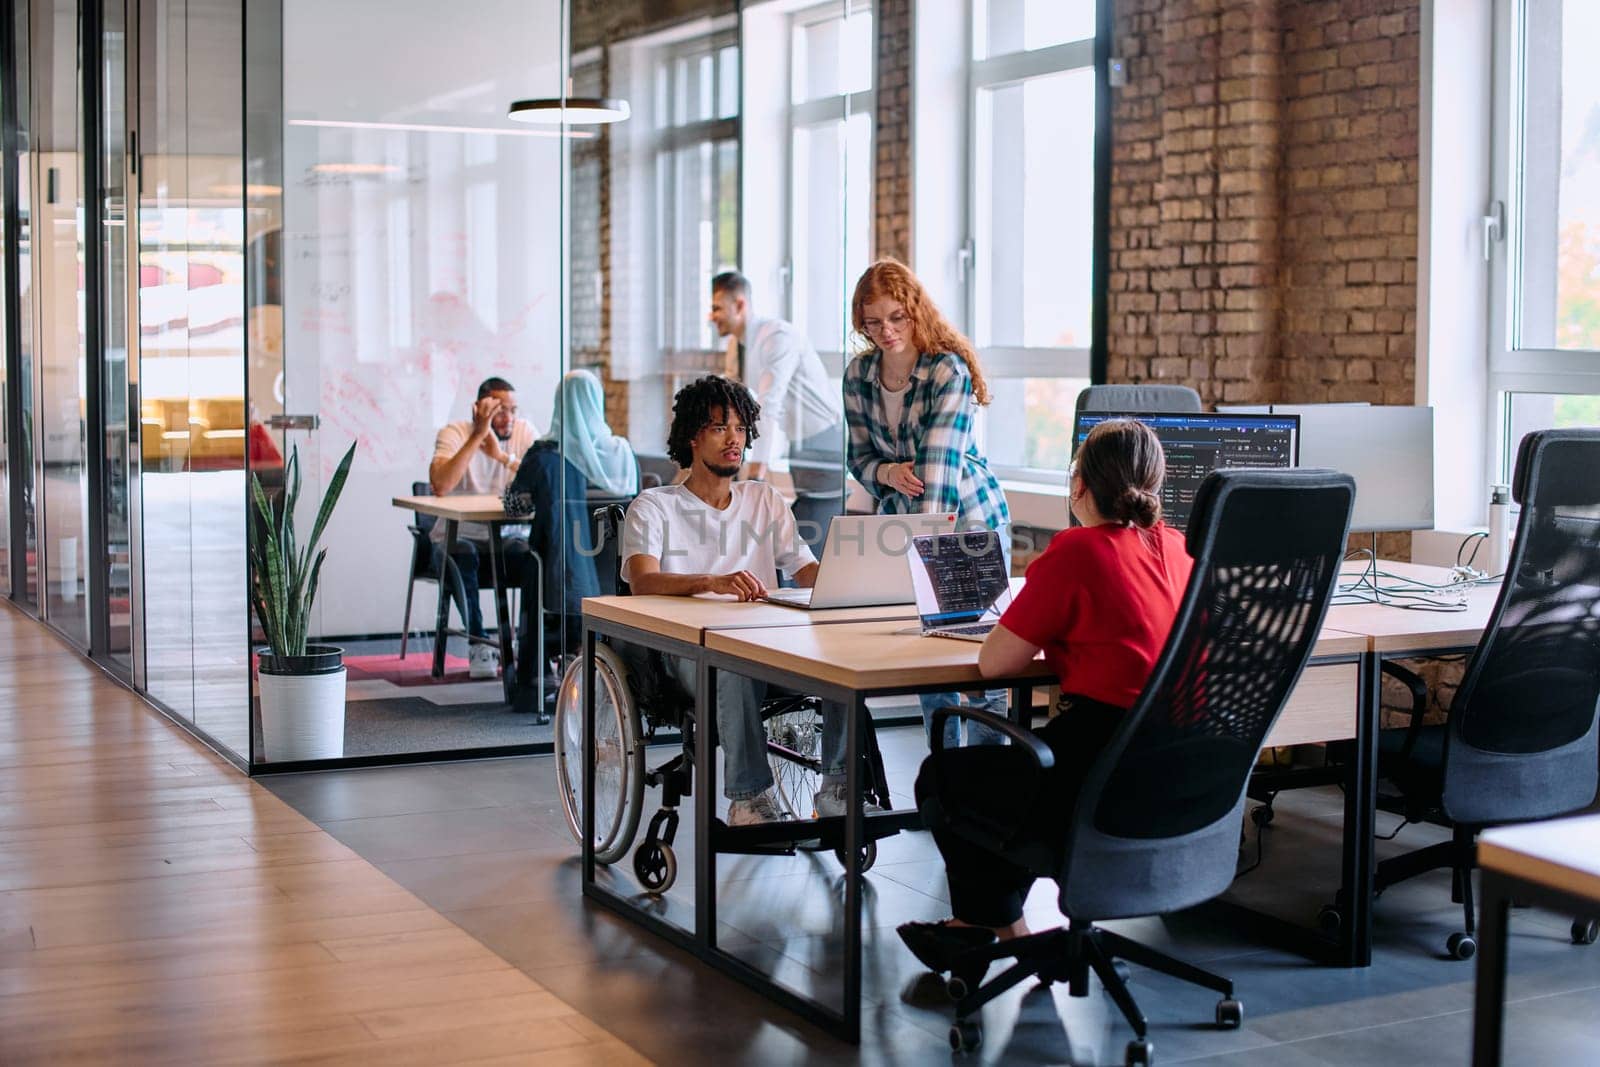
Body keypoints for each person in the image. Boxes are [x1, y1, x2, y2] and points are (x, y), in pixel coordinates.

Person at [895, 419, 1193, 972]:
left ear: (1079, 485)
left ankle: (1002, 931)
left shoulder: (1076, 551)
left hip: (1095, 775)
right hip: (1175, 778)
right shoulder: (1179, 549)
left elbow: (995, 662)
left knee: (946, 779)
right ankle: (993, 931)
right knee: (1012, 789)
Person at [620, 375, 855, 825]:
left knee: (842, 661)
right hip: (689, 654)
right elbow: (642, 581)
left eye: (742, 429)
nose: (735, 440)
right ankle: (749, 797)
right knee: (732, 663)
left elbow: (804, 569)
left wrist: (850, 585)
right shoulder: (653, 506)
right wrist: (711, 580)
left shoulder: (764, 498)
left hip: (768, 644)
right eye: (719, 428)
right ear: (692, 436)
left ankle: (837, 789)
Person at [843, 258, 1012, 748]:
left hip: (965, 518)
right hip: (904, 521)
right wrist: (887, 472)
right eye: (873, 322)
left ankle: (987, 777)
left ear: (915, 311)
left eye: (896, 317)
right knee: (929, 662)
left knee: (979, 662)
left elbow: (938, 467)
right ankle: (946, 778)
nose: (886, 331)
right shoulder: (859, 375)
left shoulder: (946, 370)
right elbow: (859, 459)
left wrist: (924, 553)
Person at [509, 369, 638, 695]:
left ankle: (536, 680)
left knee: (530, 560)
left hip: (561, 578)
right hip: (616, 577)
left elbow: (516, 507)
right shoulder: (621, 453)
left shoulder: (545, 455)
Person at [428, 376, 540, 680]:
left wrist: (501, 456)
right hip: (457, 536)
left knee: (536, 556)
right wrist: (477, 436)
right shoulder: (454, 433)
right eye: (500, 410)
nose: (508, 418)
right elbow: (441, 484)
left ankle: (528, 647)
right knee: (462, 553)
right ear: (479, 408)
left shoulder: (524, 432)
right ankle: (479, 643)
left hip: (507, 536)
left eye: (512, 410)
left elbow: (540, 481)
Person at [708, 271, 845, 482]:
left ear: (739, 305)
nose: (711, 317)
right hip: (798, 440)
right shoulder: (737, 344)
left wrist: (756, 474)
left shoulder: (777, 337)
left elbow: (768, 405)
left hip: (824, 442)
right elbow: (732, 398)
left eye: (716, 308)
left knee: (813, 513)